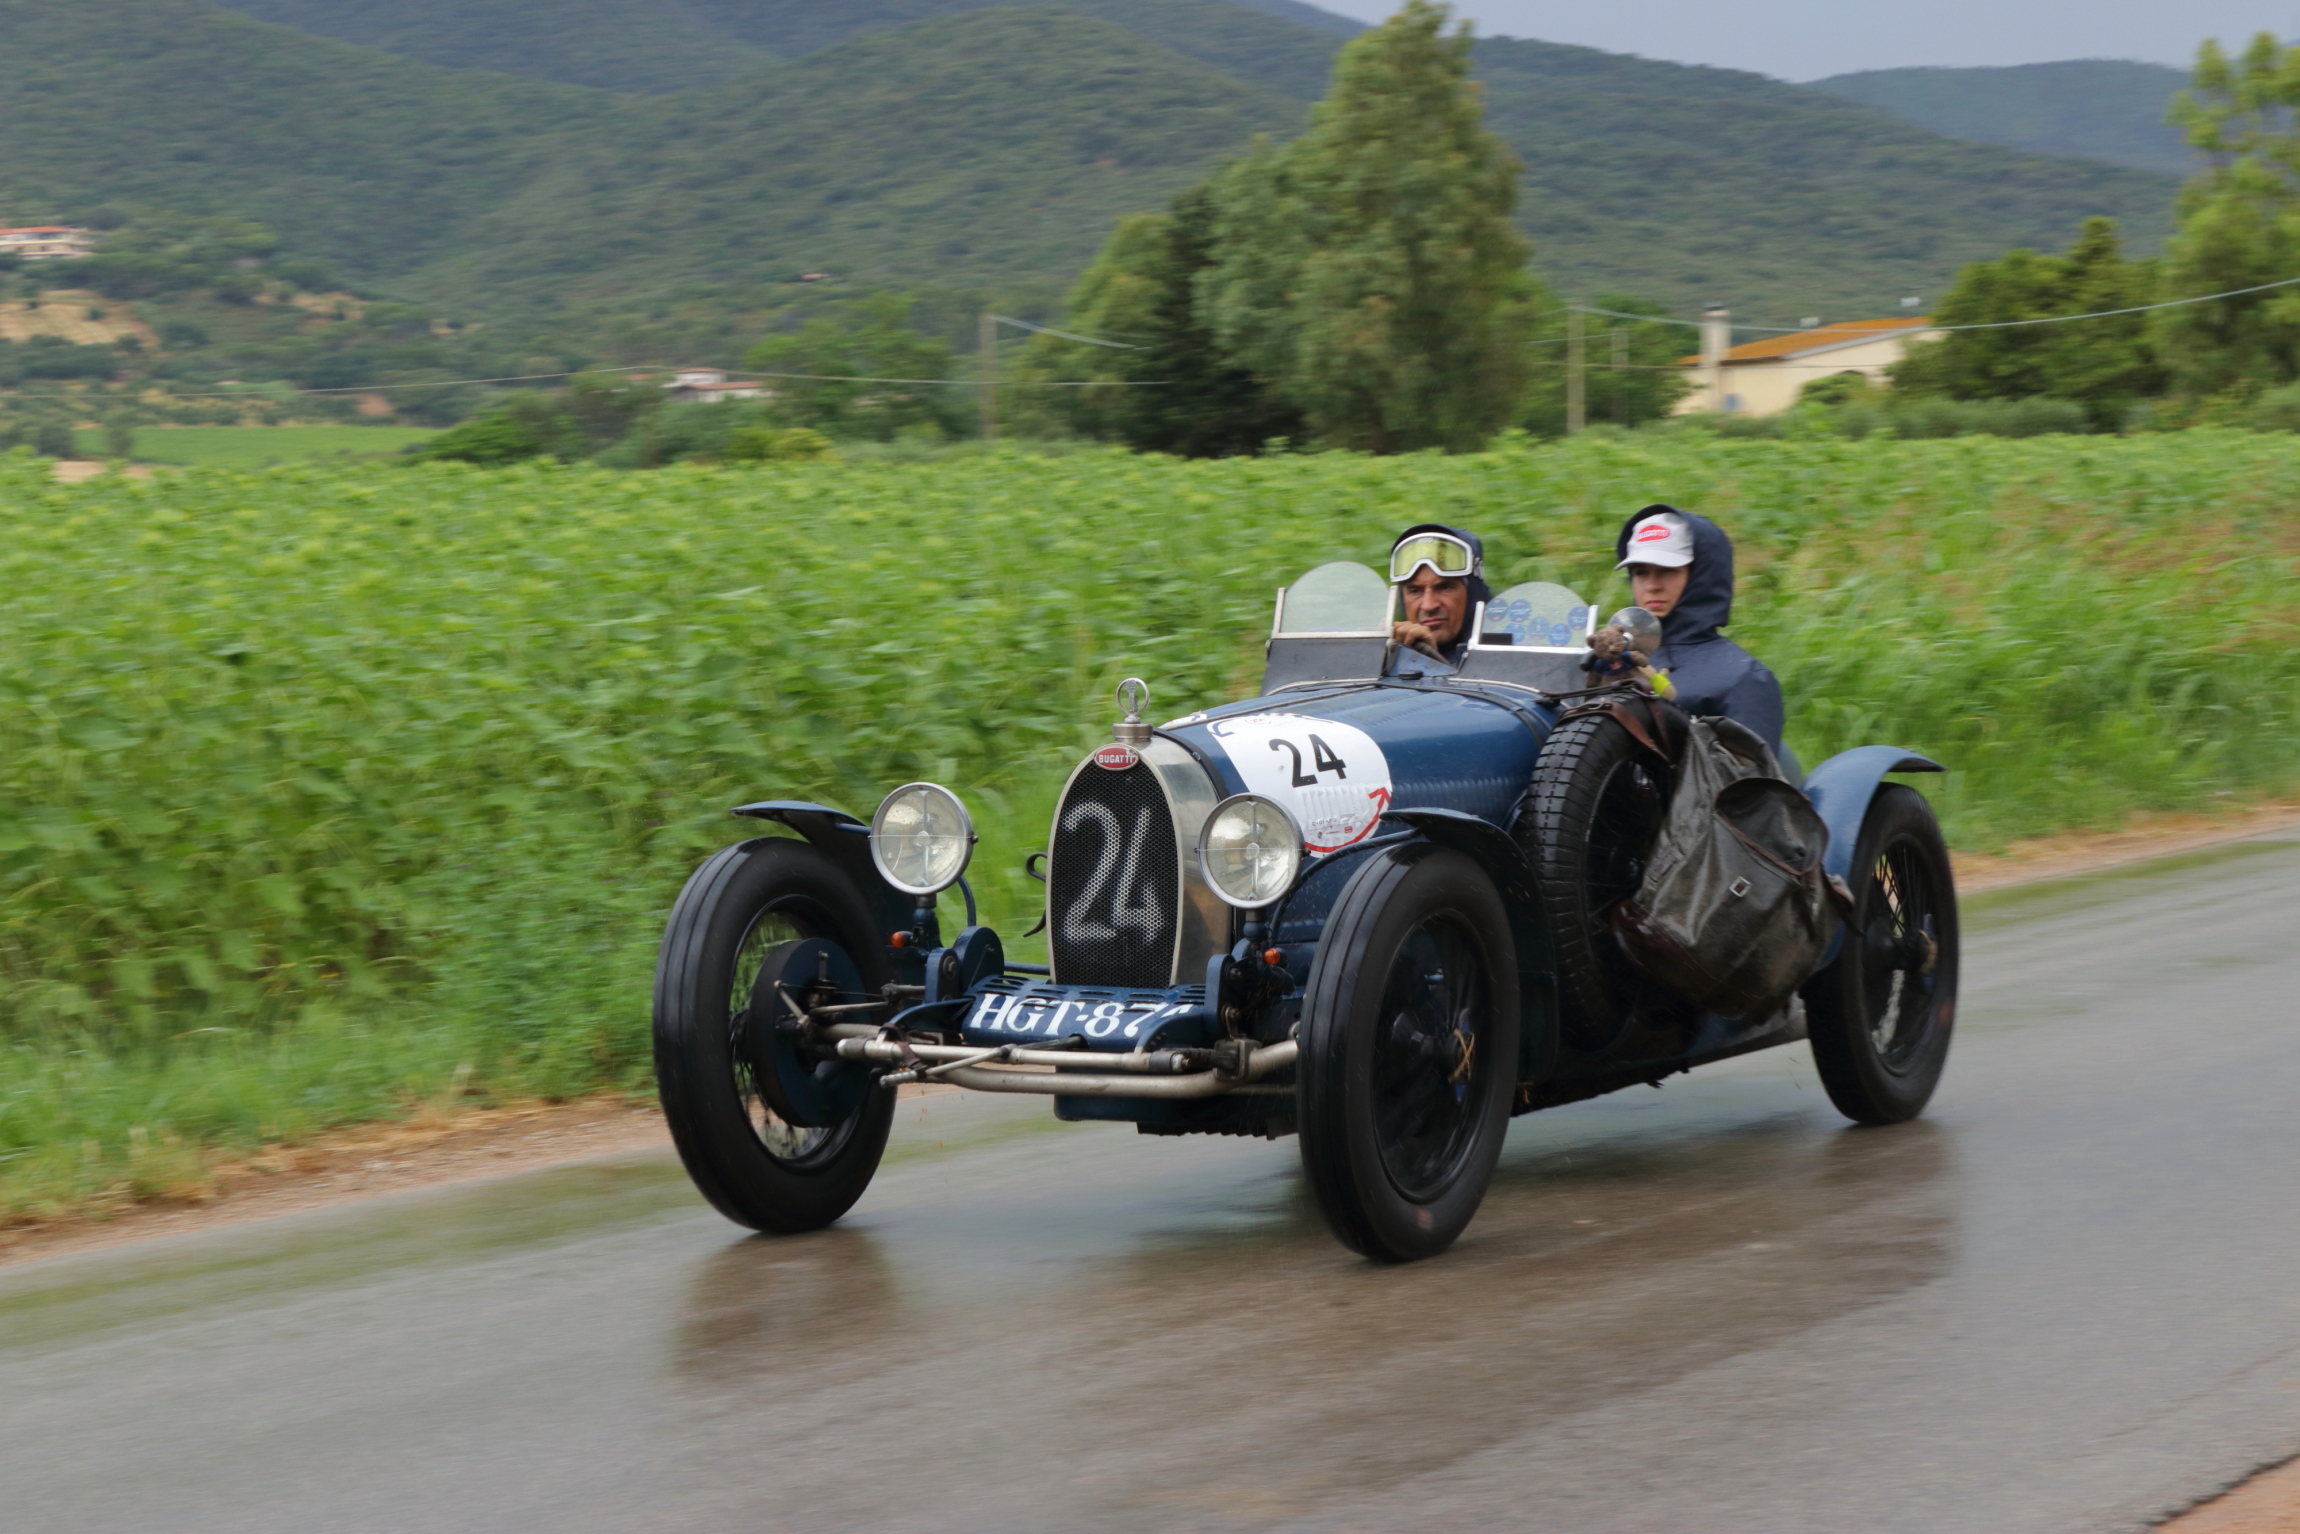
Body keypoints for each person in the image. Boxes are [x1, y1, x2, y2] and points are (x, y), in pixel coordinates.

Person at [1614, 505, 1798, 775]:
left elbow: (1748, 792)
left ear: (1701, 575)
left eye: (1667, 570)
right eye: (1641, 572)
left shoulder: (1745, 678)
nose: (1652, 585)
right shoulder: (1610, 662)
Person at [1388, 523, 1491, 664]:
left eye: (1445, 587)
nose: (1428, 606)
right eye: (1415, 591)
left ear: (1473, 593)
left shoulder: (1510, 652)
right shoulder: (1386, 660)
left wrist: (1432, 665)